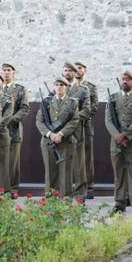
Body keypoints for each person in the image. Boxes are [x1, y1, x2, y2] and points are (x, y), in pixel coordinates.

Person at [105, 69, 132, 214]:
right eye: (123, 79)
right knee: (119, 173)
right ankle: (119, 203)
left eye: (128, 79)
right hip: (115, 143)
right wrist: (117, 136)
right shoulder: (112, 98)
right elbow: (108, 120)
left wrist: (125, 135)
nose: (125, 81)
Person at [37, 76, 79, 198]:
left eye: (62, 85)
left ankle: (66, 201)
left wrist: (61, 134)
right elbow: (39, 121)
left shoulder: (72, 102)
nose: (59, 87)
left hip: (65, 142)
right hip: (48, 142)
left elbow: (74, 121)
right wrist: (51, 134)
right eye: (57, 85)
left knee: (65, 173)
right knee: (50, 173)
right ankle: (50, 201)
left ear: (66, 87)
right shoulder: (46, 102)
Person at [0, 63, 29, 195]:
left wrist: (10, 120)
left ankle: (13, 189)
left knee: (13, 162)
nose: (6, 73)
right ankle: (0, 189)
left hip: (14, 130)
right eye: (4, 70)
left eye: (9, 70)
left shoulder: (20, 90)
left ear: (13, 73)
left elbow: (24, 109)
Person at [62, 62, 90, 199]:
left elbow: (87, 109)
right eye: (65, 70)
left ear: (74, 73)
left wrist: (73, 119)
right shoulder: (58, 87)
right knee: (63, 164)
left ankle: (80, 195)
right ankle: (64, 194)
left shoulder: (83, 90)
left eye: (70, 71)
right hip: (61, 132)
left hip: (77, 130)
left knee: (79, 164)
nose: (67, 73)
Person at [75, 61, 98, 199]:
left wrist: (76, 117)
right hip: (68, 128)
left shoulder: (90, 87)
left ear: (85, 70)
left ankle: (89, 186)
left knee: (87, 158)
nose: (77, 70)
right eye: (75, 68)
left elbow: (93, 107)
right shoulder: (66, 86)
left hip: (85, 125)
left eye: (80, 68)